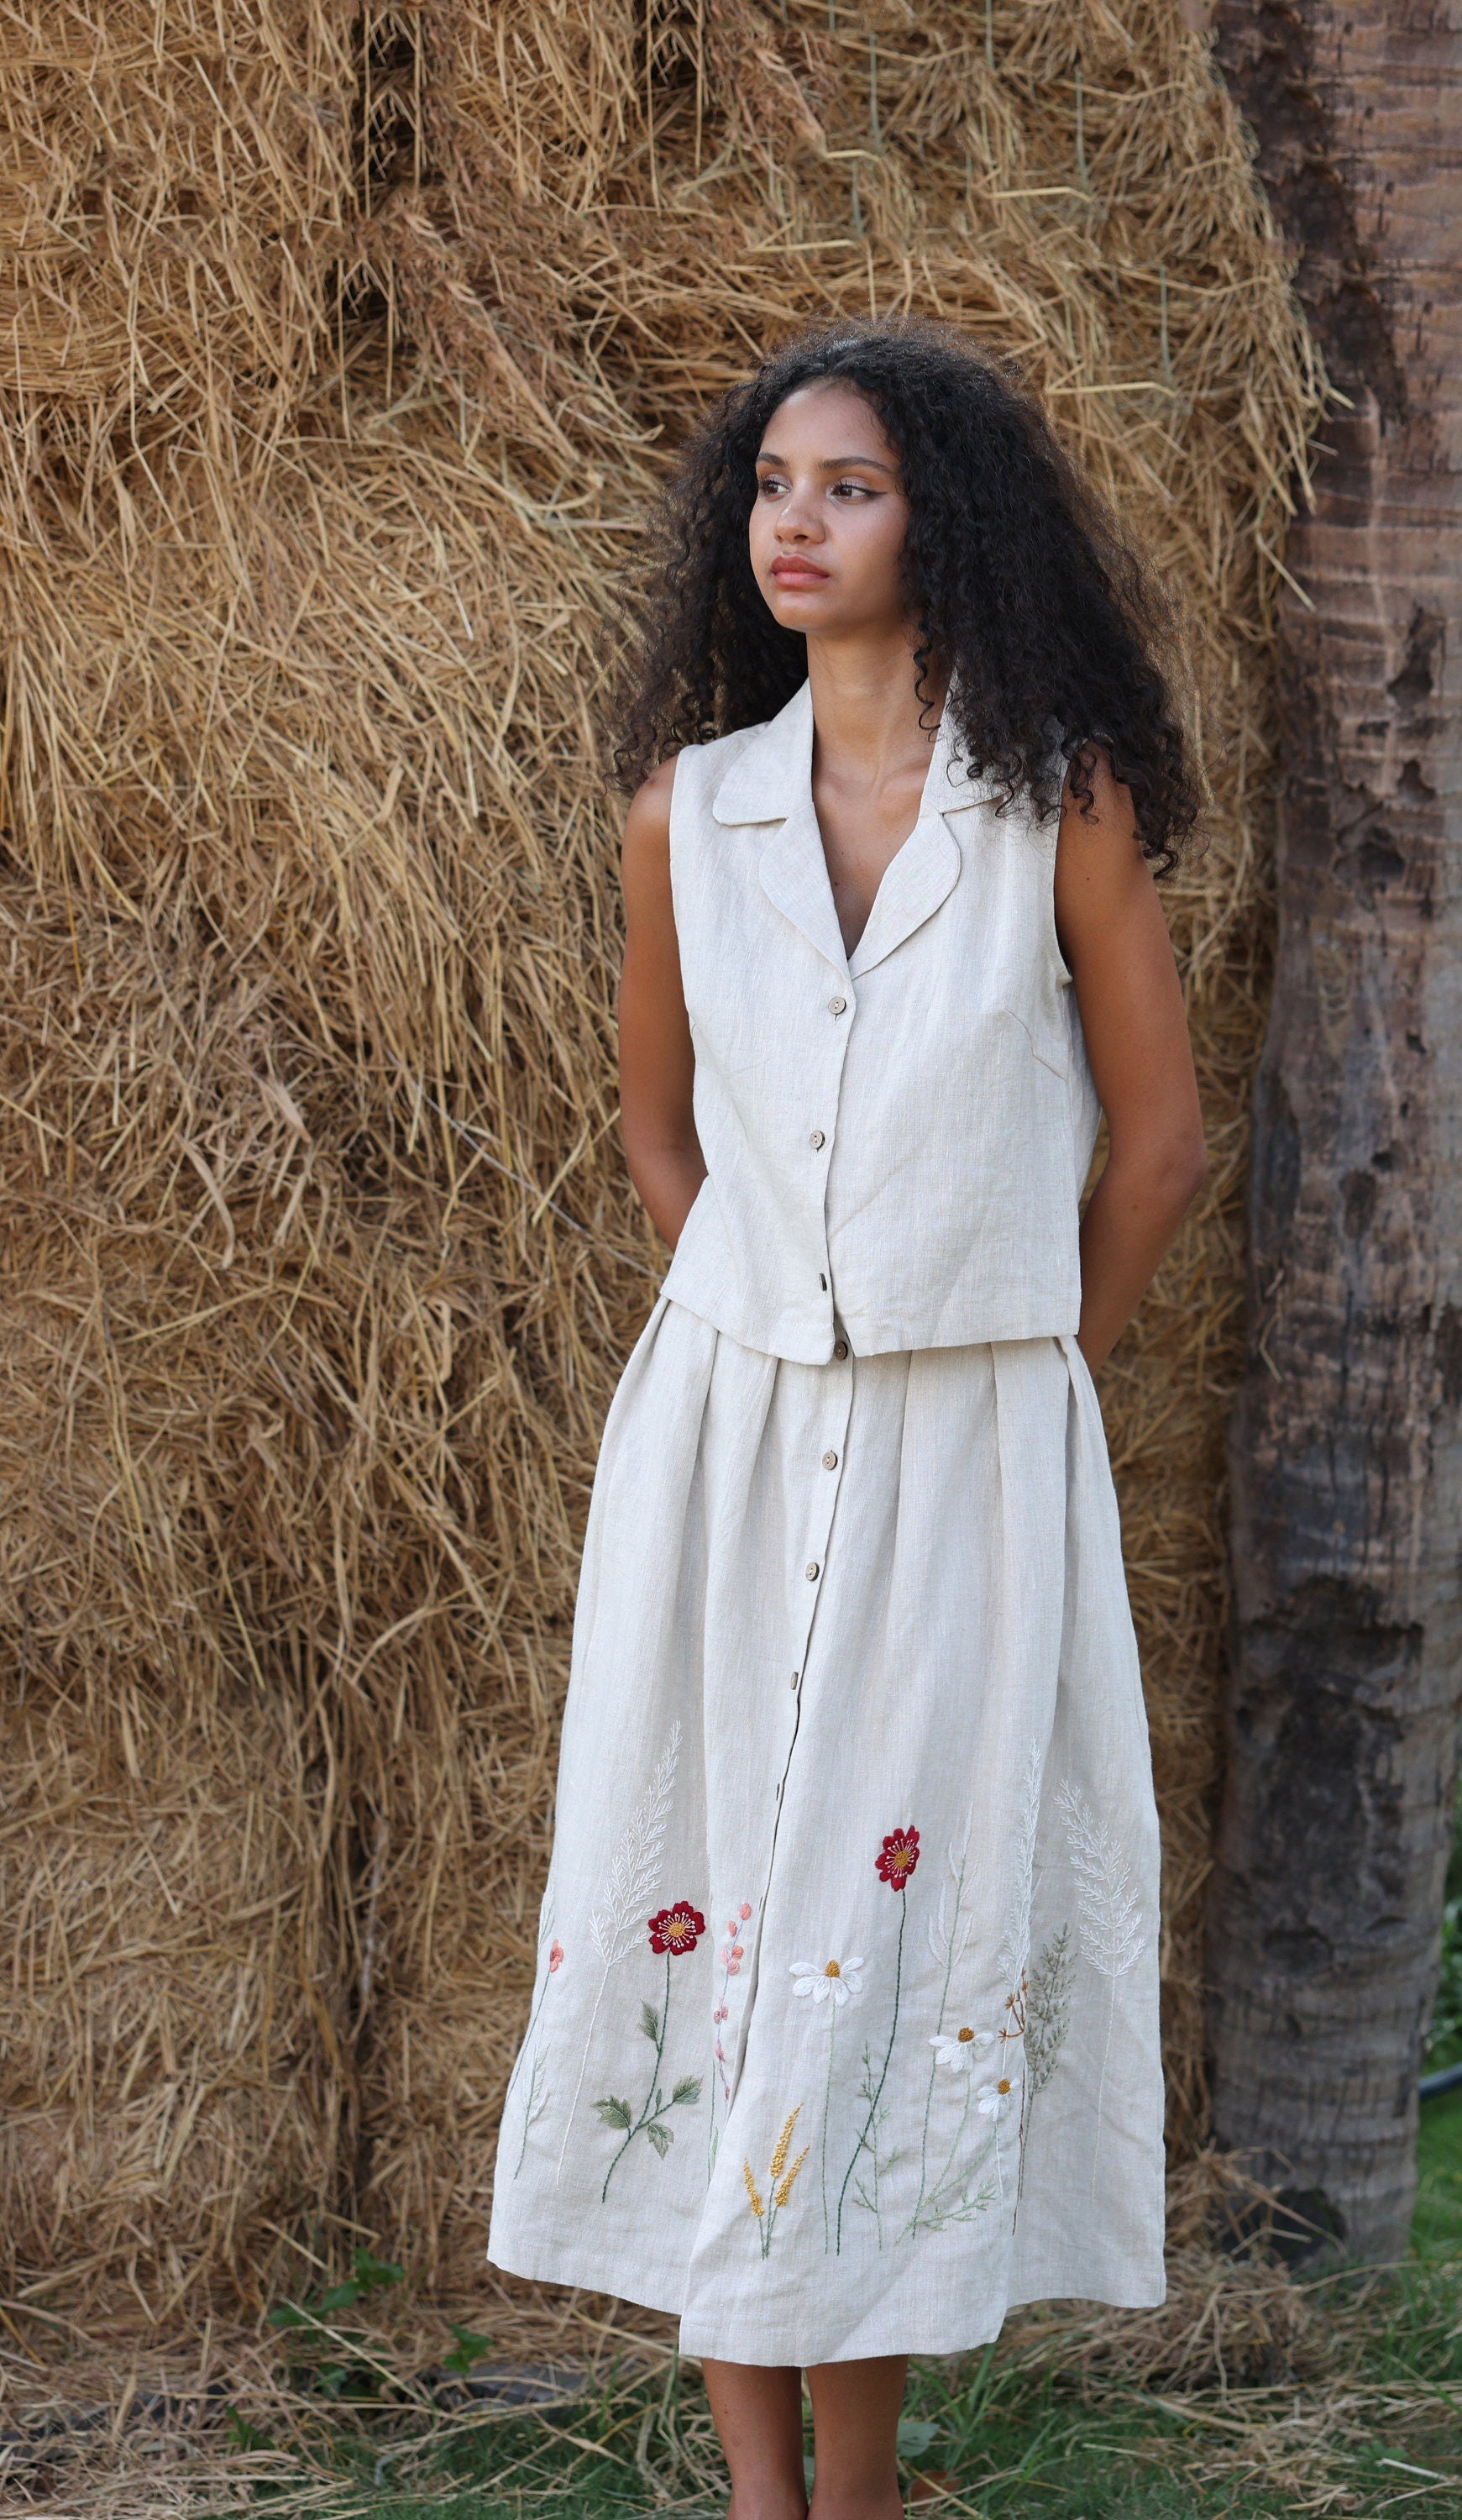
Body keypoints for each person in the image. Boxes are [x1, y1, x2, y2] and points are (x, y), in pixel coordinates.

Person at [488, 318, 1208, 2520]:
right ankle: (759, 2498)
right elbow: (660, 1136)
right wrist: (776, 1320)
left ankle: (862, 2490)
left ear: (943, 523)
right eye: (774, 485)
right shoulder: (685, 814)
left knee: (870, 1948)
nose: (793, 524)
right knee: (718, 1917)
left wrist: (1019, 1375)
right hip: (721, 1445)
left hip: (968, 1450)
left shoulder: (1052, 804)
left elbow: (1161, 1149)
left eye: (852, 488)